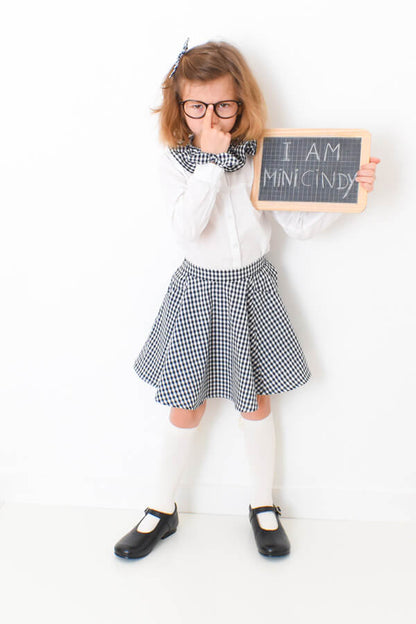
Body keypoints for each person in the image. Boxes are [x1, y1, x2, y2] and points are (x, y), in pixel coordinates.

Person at [114, 39, 380, 560]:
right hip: (198, 292)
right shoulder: (176, 163)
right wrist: (212, 164)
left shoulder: (259, 156)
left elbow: (298, 225)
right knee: (186, 405)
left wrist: (350, 191)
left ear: (242, 102)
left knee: (254, 401)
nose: (211, 118)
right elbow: (188, 229)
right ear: (179, 106)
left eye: (224, 105)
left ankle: (262, 504)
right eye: (197, 106)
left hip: (252, 289)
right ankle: (160, 507)